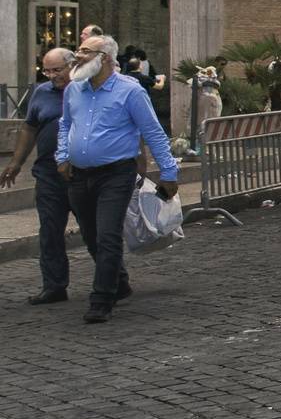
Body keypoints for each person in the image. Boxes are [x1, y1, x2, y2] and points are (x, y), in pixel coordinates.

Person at [55, 34, 179, 323]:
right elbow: (65, 125)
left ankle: (102, 299)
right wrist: (62, 156)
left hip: (116, 174)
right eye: (78, 51)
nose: (78, 56)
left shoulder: (130, 91)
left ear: (106, 58)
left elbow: (153, 133)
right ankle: (119, 282)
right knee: (91, 235)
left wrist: (169, 173)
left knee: (109, 234)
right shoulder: (74, 89)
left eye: (85, 51)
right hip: (78, 175)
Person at [2, 48, 75, 304]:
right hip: (48, 173)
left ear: (72, 65)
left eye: (58, 70)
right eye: (48, 71)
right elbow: (29, 128)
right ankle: (54, 286)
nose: (53, 76)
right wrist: (16, 162)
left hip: (82, 173)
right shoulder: (42, 93)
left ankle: (115, 282)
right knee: (50, 231)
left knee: (94, 231)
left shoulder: (86, 90)